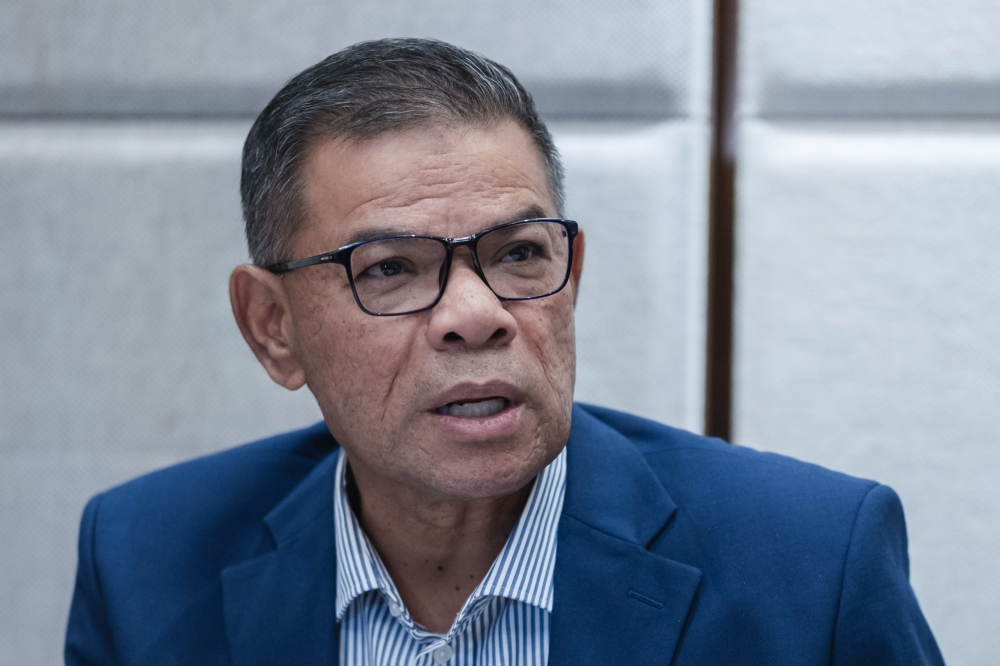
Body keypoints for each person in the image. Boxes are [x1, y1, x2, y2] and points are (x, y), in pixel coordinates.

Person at [65, 38, 944, 665]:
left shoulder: (814, 566)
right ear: (273, 327)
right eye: (391, 268)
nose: (476, 315)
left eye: (519, 254)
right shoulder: (145, 562)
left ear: (572, 273)